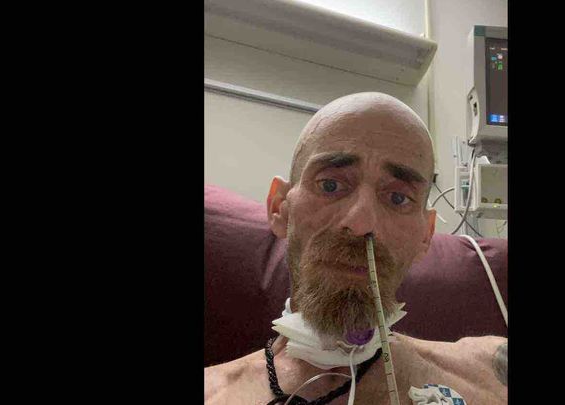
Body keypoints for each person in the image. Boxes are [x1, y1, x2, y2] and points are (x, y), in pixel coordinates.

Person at [205, 92, 507, 405]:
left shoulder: (490, 374)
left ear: (425, 236)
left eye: (398, 198)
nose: (362, 223)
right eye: (331, 185)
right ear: (280, 208)